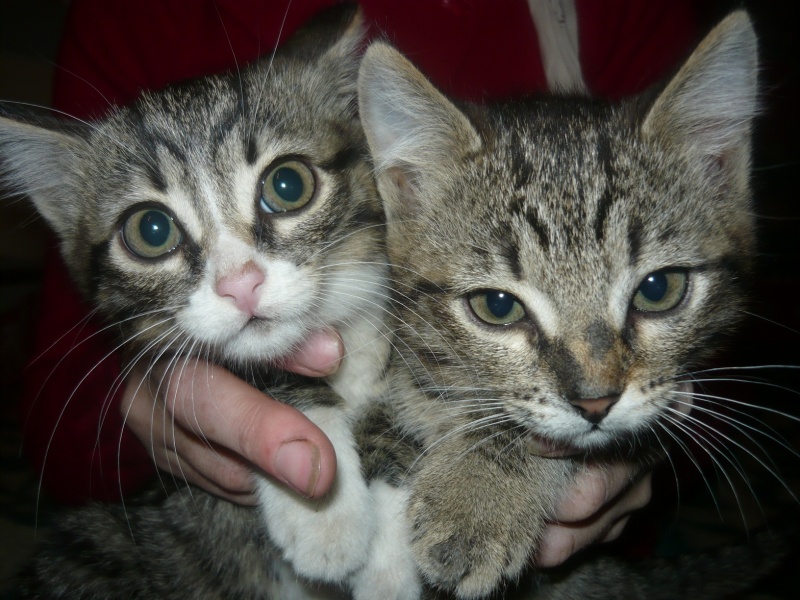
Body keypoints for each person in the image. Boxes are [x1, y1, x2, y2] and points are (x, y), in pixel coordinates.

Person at [20, 0, 699, 568]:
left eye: (287, 186)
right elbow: (60, 409)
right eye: (152, 231)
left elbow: (700, 255)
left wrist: (646, 430)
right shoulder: (126, 18)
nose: (238, 282)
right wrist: (144, 395)